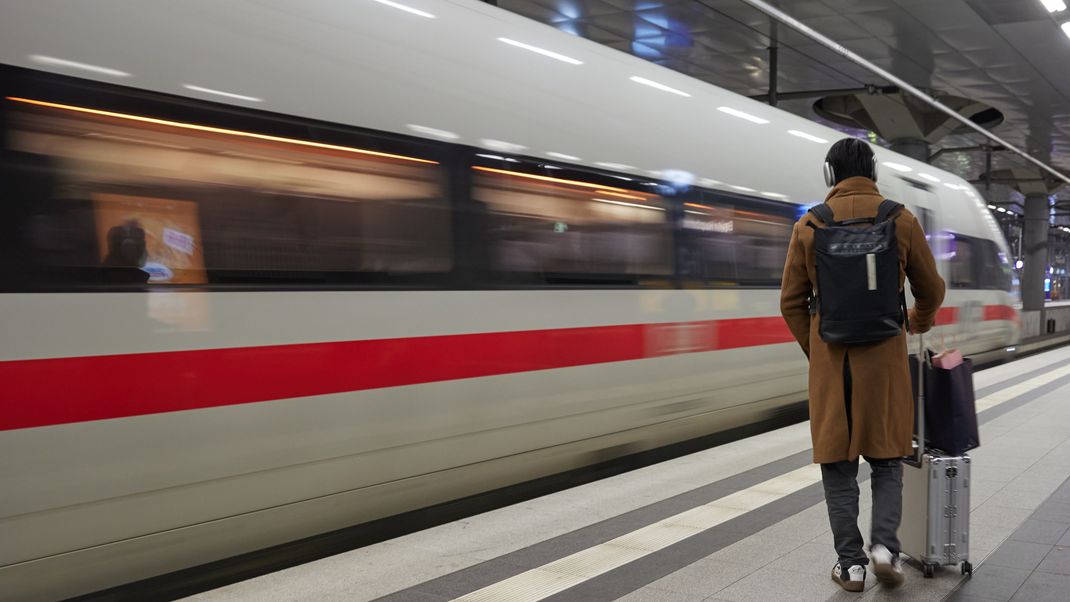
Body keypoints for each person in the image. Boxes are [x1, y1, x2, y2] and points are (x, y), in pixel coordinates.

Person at [779, 138, 945, 592]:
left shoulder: (810, 225)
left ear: (830, 175)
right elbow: (931, 289)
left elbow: (790, 303)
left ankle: (850, 566)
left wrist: (819, 353)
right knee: (888, 459)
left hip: (833, 365)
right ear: (872, 172)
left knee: (838, 465)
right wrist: (914, 320)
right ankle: (884, 550)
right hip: (884, 361)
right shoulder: (901, 219)